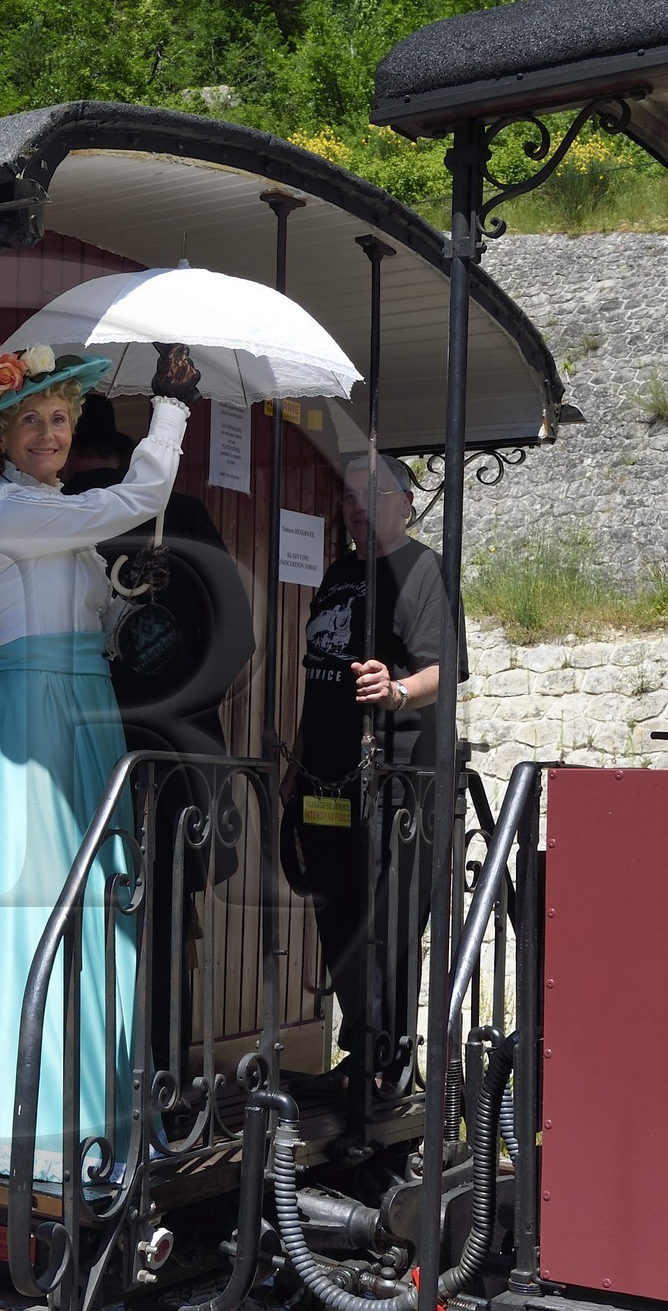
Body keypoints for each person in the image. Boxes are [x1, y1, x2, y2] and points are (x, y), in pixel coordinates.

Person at [0, 340, 202, 1180]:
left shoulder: (48, 509)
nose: (49, 433)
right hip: (36, 719)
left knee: (94, 901)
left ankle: (93, 1109)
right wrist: (172, 405)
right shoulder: (8, 510)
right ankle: (18, 1121)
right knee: (34, 905)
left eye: (60, 419)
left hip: (80, 711)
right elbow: (143, 491)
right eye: (32, 420)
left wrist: (125, 593)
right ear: (0, 435)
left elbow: (88, 629)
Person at [64, 394, 255, 1087]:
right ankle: (163, 1081)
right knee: (167, 919)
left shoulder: (60, 516)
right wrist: (180, 713)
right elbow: (238, 640)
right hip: (178, 758)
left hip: (79, 753)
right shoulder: (187, 516)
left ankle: (98, 1082)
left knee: (85, 917)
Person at [284, 455, 464, 1104]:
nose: (358, 507)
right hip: (326, 777)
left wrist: (395, 691)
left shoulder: (422, 569)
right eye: (350, 498)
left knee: (388, 922)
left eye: (374, 494)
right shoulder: (336, 574)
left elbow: (445, 669)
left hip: (396, 782)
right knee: (339, 916)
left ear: (407, 503)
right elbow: (320, 674)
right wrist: (297, 763)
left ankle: (390, 1063)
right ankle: (360, 1049)